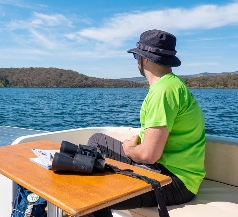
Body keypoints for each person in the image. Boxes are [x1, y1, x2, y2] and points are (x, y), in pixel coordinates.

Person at [86, 29, 206, 217]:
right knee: (97, 141)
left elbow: (149, 155)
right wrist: (138, 142)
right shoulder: (170, 85)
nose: (137, 61)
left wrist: (128, 149)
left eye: (136, 56)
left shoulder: (164, 91)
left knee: (89, 193)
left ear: (145, 59)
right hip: (167, 170)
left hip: (175, 181)